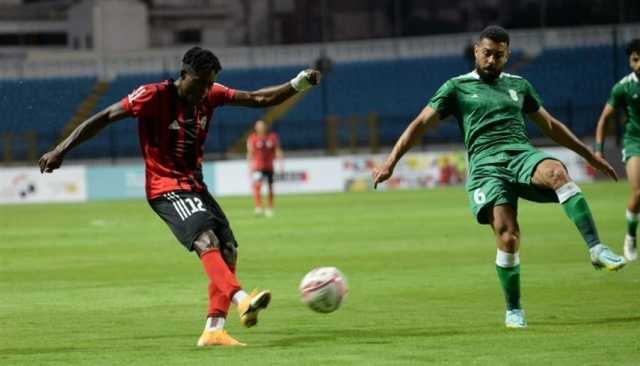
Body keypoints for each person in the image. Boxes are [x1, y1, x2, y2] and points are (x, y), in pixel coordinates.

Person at [39, 46, 321, 346]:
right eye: (200, 83)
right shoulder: (153, 95)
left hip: (195, 185)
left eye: (210, 83)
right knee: (205, 240)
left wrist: (299, 83)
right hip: (164, 186)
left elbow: (258, 98)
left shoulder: (210, 94)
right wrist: (61, 150)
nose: (205, 90)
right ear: (184, 75)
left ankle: (214, 330)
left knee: (228, 250)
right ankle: (241, 299)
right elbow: (105, 116)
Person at [372, 26, 626, 329]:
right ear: (476, 50)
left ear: (507, 56)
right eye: (487, 53)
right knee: (508, 236)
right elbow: (419, 124)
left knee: (558, 172)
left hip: (521, 155)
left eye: (499, 55)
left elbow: (550, 125)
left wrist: (589, 155)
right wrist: (390, 162)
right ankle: (514, 310)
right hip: (485, 166)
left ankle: (596, 249)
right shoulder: (456, 87)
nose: (492, 59)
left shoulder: (519, 85)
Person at [594, 39, 640, 262]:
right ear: (630, 62)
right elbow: (604, 119)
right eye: (635, 59)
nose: (639, 63)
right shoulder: (623, 87)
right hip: (635, 142)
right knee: (638, 192)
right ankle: (631, 236)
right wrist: (598, 151)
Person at [247, 120, 283, 217]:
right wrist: (250, 167)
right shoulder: (253, 138)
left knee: (270, 187)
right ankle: (258, 207)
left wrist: (281, 163)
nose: (260, 128)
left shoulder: (272, 137)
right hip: (258, 167)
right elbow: (250, 153)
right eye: (258, 126)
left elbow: (277, 150)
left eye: (262, 126)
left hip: (269, 166)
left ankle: (270, 207)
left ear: (265, 127)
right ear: (255, 128)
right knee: (257, 185)